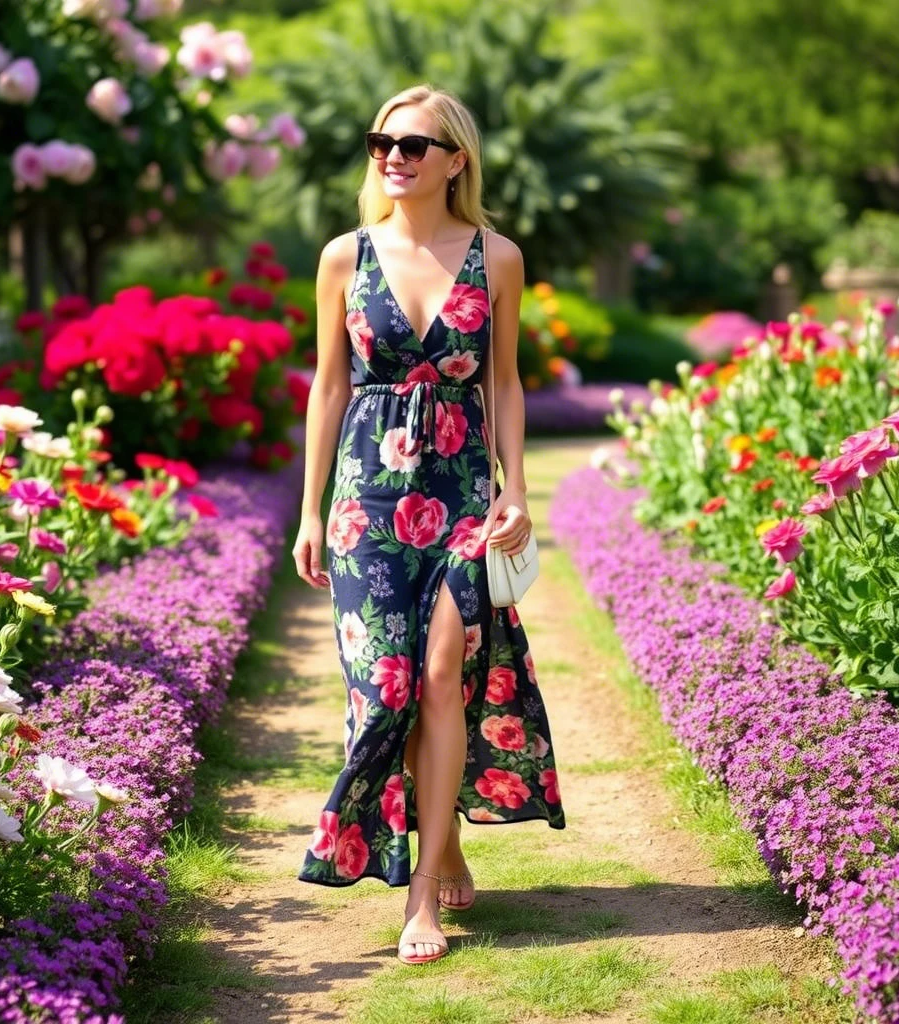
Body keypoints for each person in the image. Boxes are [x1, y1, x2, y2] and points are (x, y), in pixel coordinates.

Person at [292, 84, 566, 966]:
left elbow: (505, 381)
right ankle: (441, 833)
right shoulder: (344, 257)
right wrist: (308, 509)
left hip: (458, 495)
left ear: (457, 160)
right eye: (382, 143)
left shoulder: (498, 256)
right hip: (365, 503)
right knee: (389, 685)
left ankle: (420, 897)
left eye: (414, 144)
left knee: (443, 672)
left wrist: (515, 490)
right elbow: (329, 386)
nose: (394, 158)